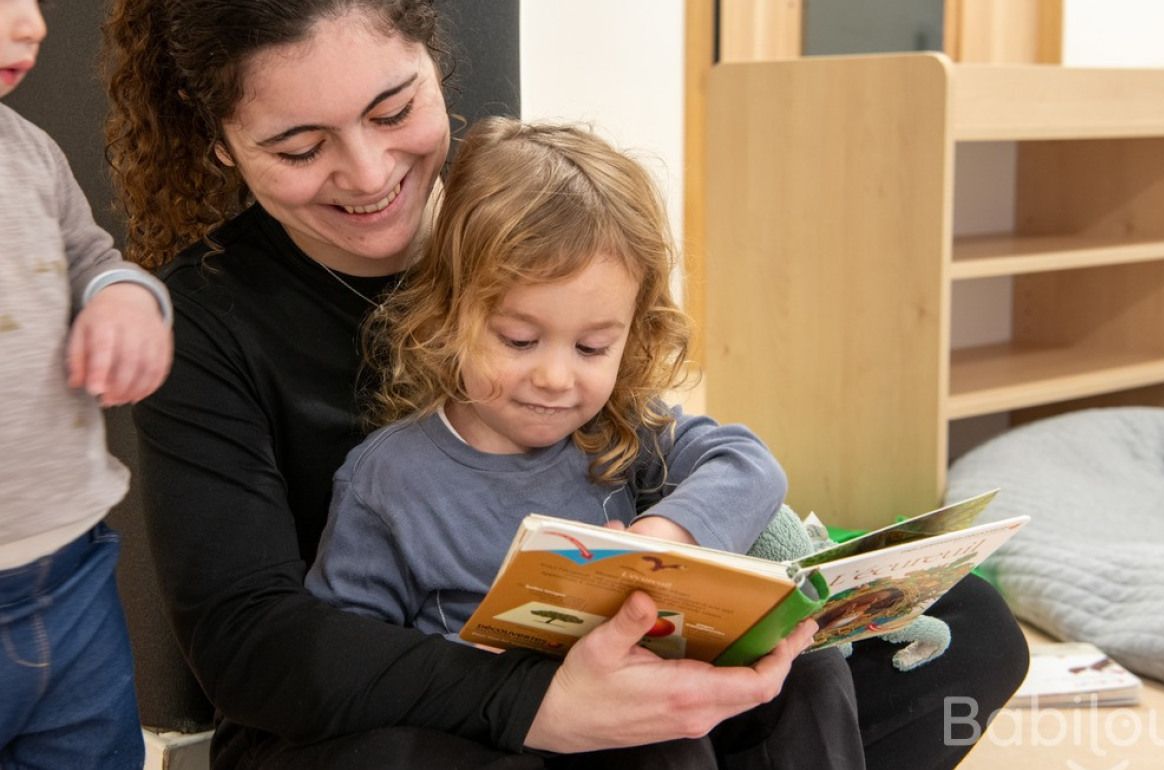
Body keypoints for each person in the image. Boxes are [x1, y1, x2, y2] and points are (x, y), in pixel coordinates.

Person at [103, 1, 1028, 769]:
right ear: (220, 145)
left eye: (393, 112)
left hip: (615, 667)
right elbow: (252, 647)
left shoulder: (514, 213)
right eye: (301, 149)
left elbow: (661, 447)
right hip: (394, 700)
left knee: (966, 629)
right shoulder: (203, 321)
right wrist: (541, 702)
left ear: (434, 65)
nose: (370, 173)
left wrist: (694, 569)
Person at [305, 117, 824, 766]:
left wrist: (664, 542)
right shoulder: (386, 480)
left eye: (592, 346)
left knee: (815, 677)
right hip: (507, 735)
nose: (554, 377)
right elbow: (347, 651)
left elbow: (749, 463)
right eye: (519, 340)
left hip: (647, 699)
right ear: (447, 314)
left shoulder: (619, 429)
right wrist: (475, 673)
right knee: (660, 747)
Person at [1, 1, 173, 768]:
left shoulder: (29, 151)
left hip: (71, 577)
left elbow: (91, 254)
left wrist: (125, 296)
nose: (32, 25)